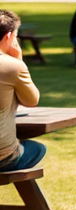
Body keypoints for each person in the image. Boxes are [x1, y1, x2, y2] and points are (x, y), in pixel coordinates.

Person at [0, 10, 44, 172]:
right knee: (38, 149)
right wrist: (18, 60)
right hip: (3, 157)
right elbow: (32, 100)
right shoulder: (11, 66)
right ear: (9, 36)